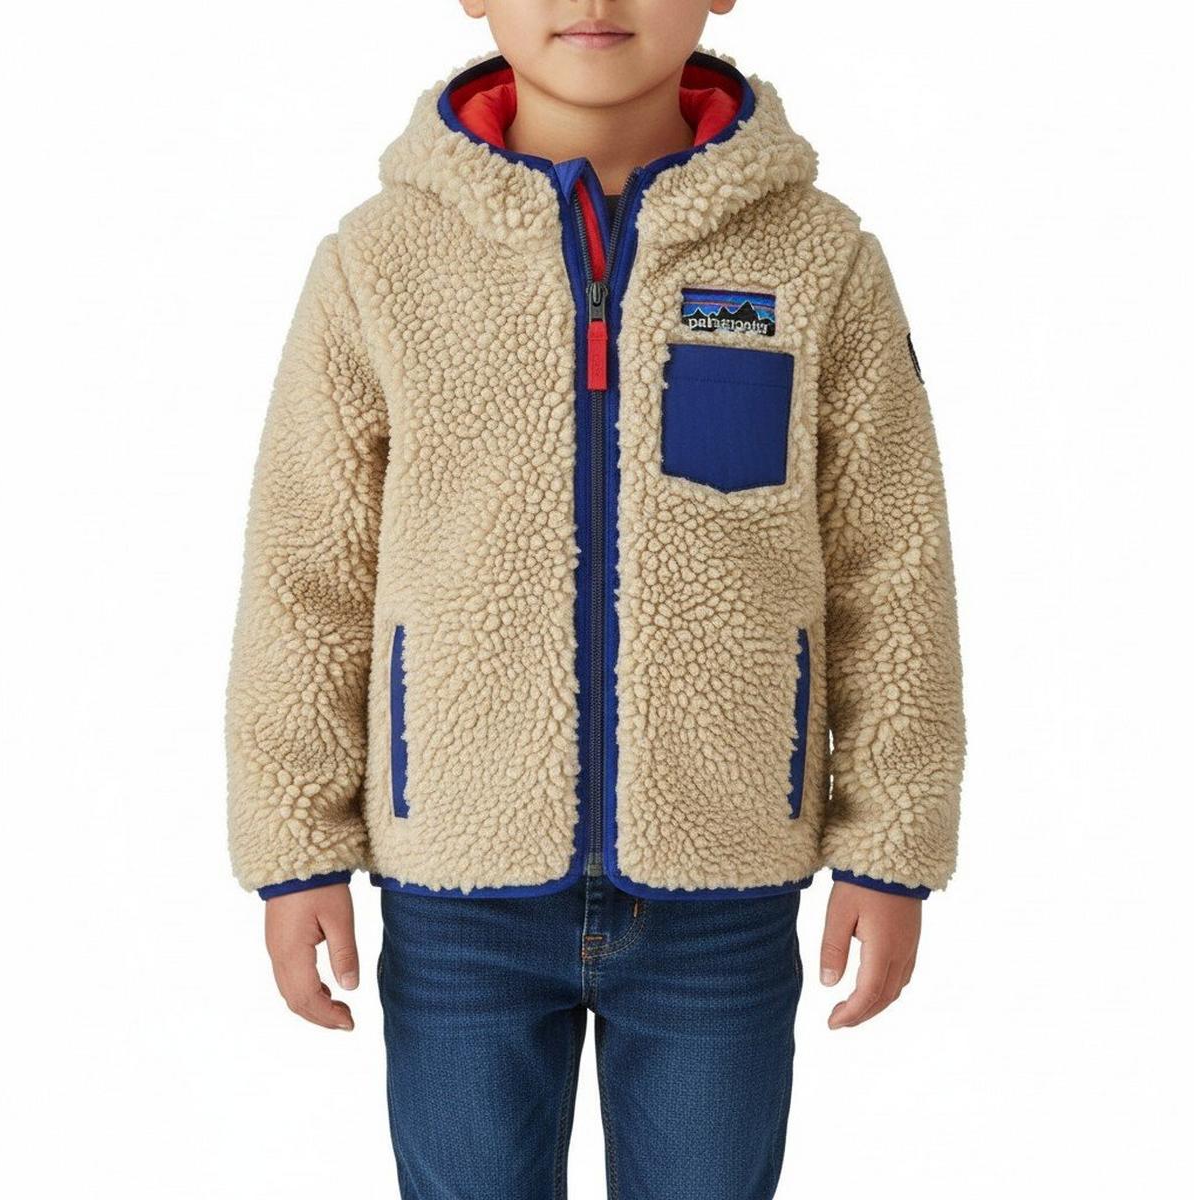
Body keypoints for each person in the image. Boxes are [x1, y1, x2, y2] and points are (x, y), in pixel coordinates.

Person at [225, 2, 965, 1196]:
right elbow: (309, 569)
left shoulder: (818, 259)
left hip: (723, 883)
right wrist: (297, 845)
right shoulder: (380, 261)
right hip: (456, 888)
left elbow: (894, 562)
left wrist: (890, 846)